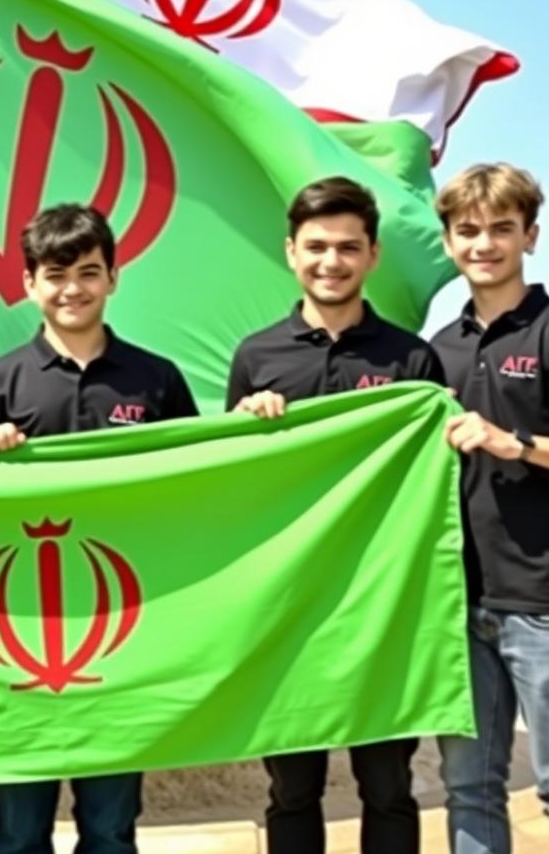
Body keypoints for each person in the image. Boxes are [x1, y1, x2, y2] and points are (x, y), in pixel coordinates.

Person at [225, 176, 444, 854]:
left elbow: (433, 483)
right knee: (292, 789)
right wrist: (237, 430)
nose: (332, 261)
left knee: (388, 786)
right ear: (291, 252)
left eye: (348, 247)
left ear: (373, 255)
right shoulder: (257, 358)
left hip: (384, 607)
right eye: (316, 246)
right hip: (291, 612)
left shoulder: (412, 359)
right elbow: (232, 488)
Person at [0, 203, 197, 854]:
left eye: (88, 272)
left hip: (123, 629)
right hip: (18, 634)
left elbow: (195, 487)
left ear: (113, 278)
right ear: (28, 283)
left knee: (109, 827)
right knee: (17, 832)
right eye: (55, 273)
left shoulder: (157, 380)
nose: (72, 288)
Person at [433, 162, 549, 854]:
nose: (484, 244)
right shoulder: (436, 350)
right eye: (468, 231)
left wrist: (518, 443)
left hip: (541, 601)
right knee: (470, 791)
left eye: (501, 229)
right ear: (449, 243)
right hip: (458, 604)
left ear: (529, 236)